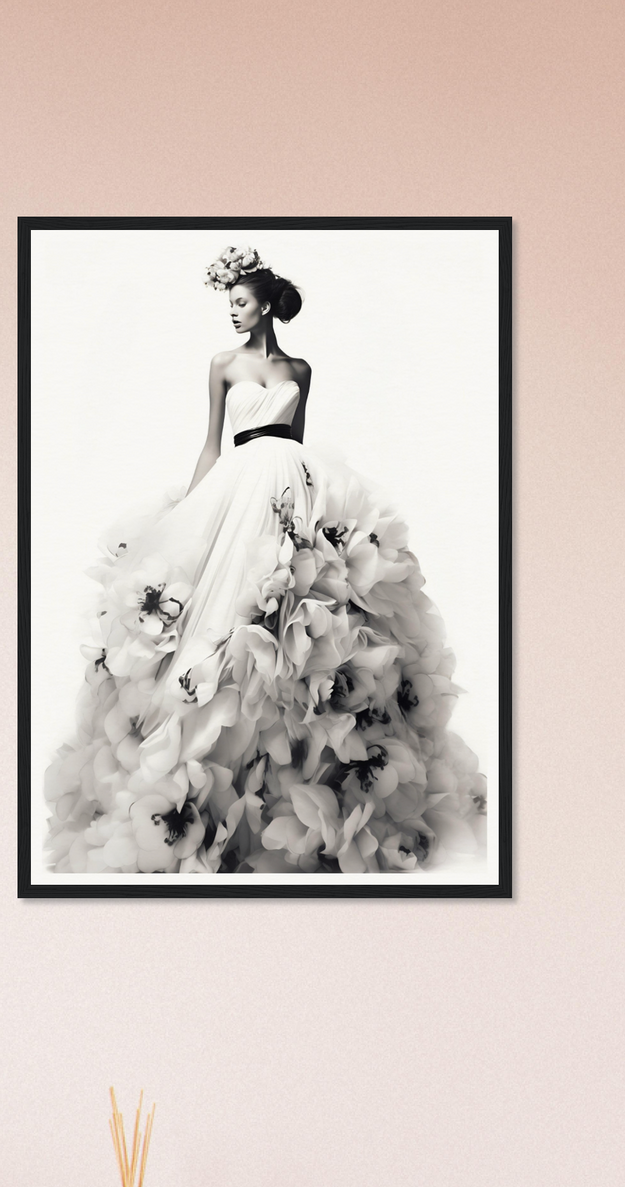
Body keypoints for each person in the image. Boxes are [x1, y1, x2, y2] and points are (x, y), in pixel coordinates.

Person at [44, 246, 487, 874]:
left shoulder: (301, 370)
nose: (232, 313)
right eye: (228, 303)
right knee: (226, 611)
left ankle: (302, 773)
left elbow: (297, 440)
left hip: (294, 485)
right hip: (238, 484)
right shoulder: (223, 364)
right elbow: (210, 444)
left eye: (241, 302)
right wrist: (188, 513)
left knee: (299, 615)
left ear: (264, 301)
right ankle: (207, 768)